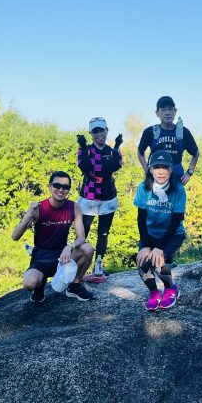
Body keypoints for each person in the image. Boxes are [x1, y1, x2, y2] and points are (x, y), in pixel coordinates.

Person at [11, 171, 95, 302]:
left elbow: (81, 238)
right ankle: (39, 288)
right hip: (41, 257)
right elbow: (15, 236)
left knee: (88, 248)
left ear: (69, 190)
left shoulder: (74, 207)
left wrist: (69, 246)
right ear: (50, 187)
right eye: (57, 185)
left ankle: (75, 286)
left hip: (62, 257)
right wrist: (28, 215)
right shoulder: (38, 208)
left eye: (66, 187)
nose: (61, 189)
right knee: (29, 283)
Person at [133, 151, 187, 311]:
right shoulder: (143, 188)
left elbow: (176, 220)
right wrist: (145, 246)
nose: (161, 171)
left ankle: (171, 289)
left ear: (171, 170)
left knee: (157, 261)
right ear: (150, 169)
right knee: (143, 263)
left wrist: (159, 248)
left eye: (165, 167)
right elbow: (141, 218)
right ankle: (154, 293)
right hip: (150, 234)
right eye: (157, 167)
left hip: (172, 234)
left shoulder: (178, 190)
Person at [76, 117, 123, 283]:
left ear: (106, 131)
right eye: (95, 131)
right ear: (91, 133)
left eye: (101, 130)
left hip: (108, 197)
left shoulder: (112, 151)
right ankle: (78, 264)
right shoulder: (85, 150)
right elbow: (85, 167)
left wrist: (117, 147)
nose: (99, 134)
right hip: (88, 197)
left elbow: (114, 167)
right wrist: (82, 147)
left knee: (103, 234)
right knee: (83, 233)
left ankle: (98, 265)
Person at [137, 95, 200, 185]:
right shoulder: (150, 132)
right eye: (163, 110)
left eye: (170, 109)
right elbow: (140, 152)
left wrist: (189, 172)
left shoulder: (183, 132)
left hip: (177, 181)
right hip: (155, 182)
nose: (167, 113)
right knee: (152, 199)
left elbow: (196, 153)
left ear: (175, 111)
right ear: (157, 113)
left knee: (177, 198)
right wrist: (147, 172)